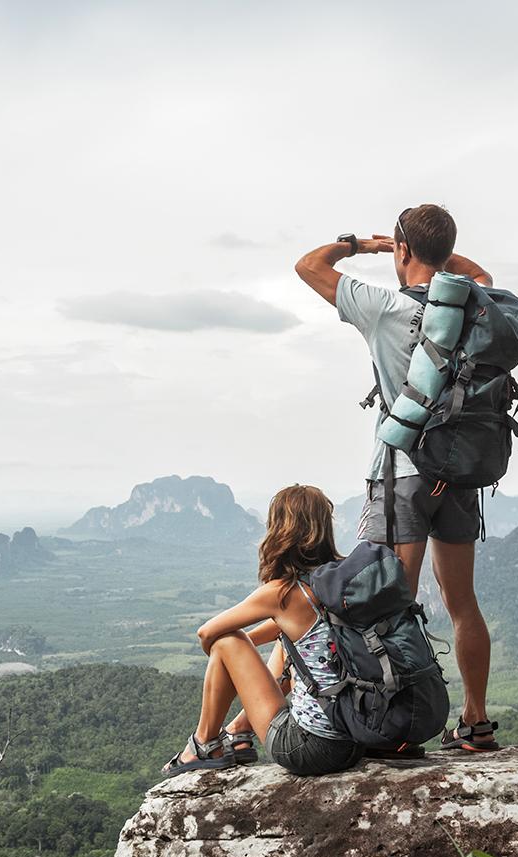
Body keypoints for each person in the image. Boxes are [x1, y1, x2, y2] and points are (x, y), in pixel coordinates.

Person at [292, 204, 500, 752]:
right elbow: (481, 275)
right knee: (463, 604)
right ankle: (476, 721)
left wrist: (366, 245)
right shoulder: (472, 303)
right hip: (458, 473)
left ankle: (395, 722)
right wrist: (429, 251)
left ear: (403, 252)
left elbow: (309, 265)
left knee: (385, 599)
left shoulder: (383, 306)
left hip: (404, 474)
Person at [160, 484, 364, 779]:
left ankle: (204, 744)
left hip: (309, 750)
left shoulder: (282, 593)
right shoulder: (342, 577)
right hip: (357, 738)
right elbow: (299, 627)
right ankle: (239, 732)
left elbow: (207, 634)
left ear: (281, 529)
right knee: (285, 641)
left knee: (226, 641)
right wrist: (248, 652)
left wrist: (232, 654)